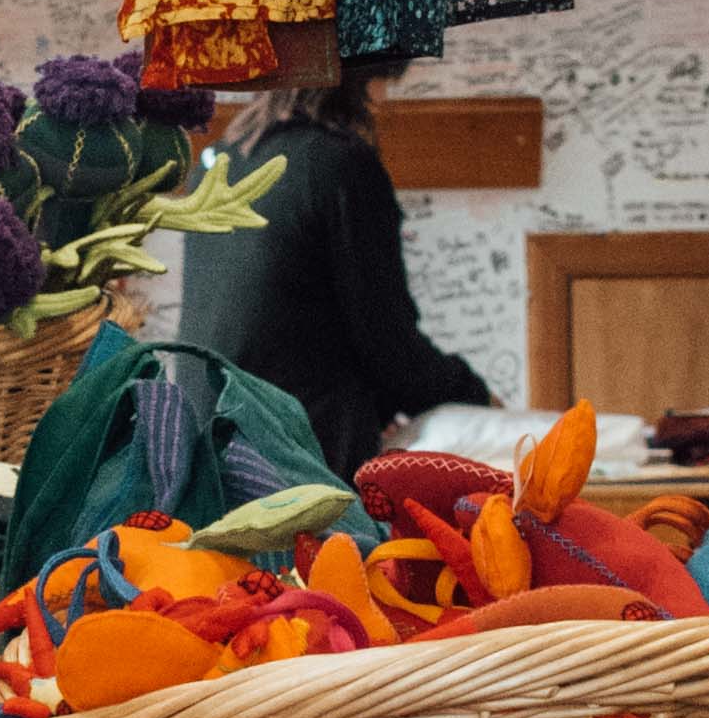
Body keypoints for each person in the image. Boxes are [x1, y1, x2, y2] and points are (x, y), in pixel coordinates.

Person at [171, 60, 488, 478]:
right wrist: (471, 394)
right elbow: (389, 343)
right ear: (363, 81)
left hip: (205, 440)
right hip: (298, 455)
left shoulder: (219, 161)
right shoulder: (341, 165)